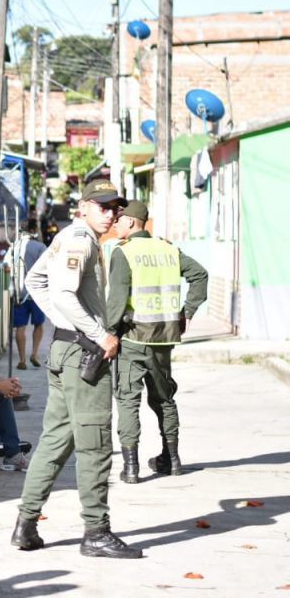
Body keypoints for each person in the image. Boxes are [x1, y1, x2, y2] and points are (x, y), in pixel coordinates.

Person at [12, 178, 143, 560]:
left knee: (55, 440)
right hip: (84, 354)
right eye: (103, 206)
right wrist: (99, 334)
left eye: (115, 207)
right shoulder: (81, 240)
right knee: (95, 445)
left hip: (66, 349)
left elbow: (34, 280)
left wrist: (61, 323)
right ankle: (96, 532)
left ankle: (26, 524)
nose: (110, 213)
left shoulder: (69, 237)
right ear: (83, 206)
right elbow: (64, 292)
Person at [106, 199, 209, 484]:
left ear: (130, 222)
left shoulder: (124, 253)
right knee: (164, 399)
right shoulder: (168, 249)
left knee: (128, 400)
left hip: (133, 338)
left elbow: (116, 301)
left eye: (119, 219)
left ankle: (130, 468)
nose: (115, 223)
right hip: (163, 339)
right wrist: (186, 312)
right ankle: (172, 459)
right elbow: (200, 274)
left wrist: (109, 333)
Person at [3, 219, 48, 370]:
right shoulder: (40, 247)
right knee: (39, 324)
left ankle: (22, 359)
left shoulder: (14, 247)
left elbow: (5, 267)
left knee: (20, 327)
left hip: (18, 293)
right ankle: (34, 354)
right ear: (34, 229)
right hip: (37, 294)